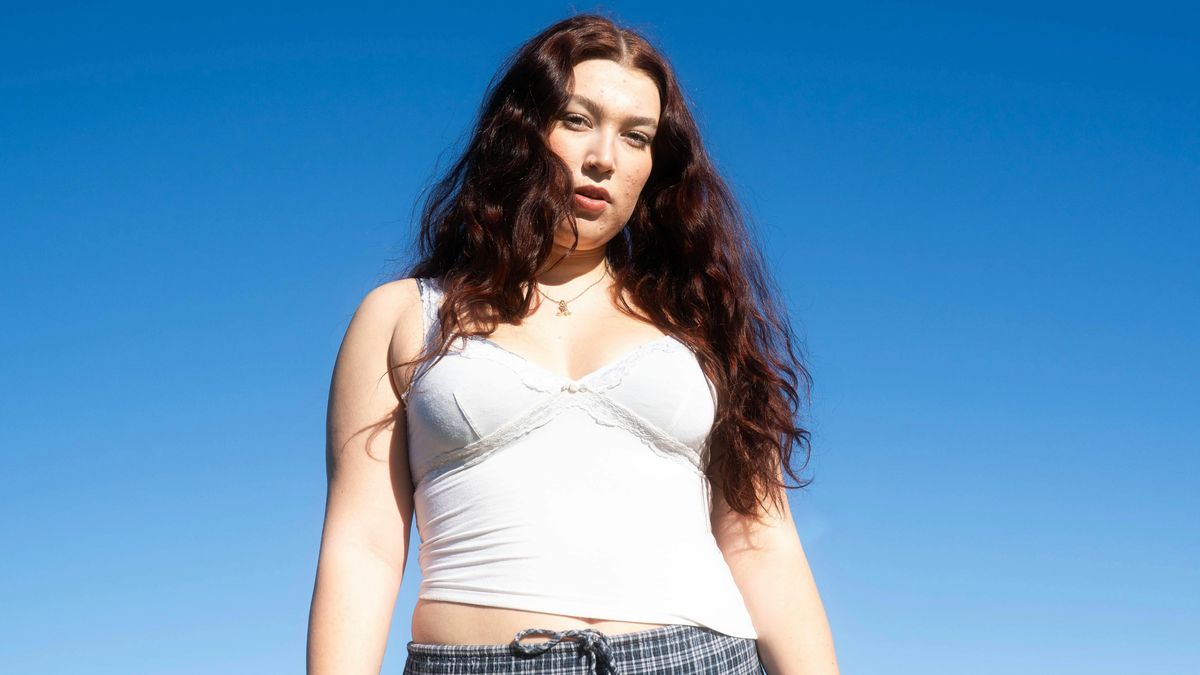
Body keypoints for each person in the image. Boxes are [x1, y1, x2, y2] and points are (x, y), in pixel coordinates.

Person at [307, 12, 839, 675]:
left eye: (636, 136)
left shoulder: (699, 326)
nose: (603, 158)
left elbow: (763, 541)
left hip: (698, 658)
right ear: (521, 131)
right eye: (578, 119)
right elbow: (363, 547)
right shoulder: (403, 315)